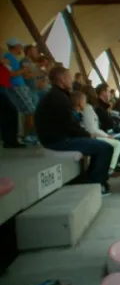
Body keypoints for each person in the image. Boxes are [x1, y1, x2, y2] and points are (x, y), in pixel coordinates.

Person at [34, 66, 113, 195]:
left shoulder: (56, 95)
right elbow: (70, 125)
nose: (71, 80)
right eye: (69, 77)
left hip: (56, 138)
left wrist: (86, 135)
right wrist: (87, 135)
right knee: (105, 148)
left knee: (101, 146)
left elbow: (69, 124)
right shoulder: (58, 98)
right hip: (58, 141)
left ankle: (92, 179)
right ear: (61, 79)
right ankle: (95, 184)